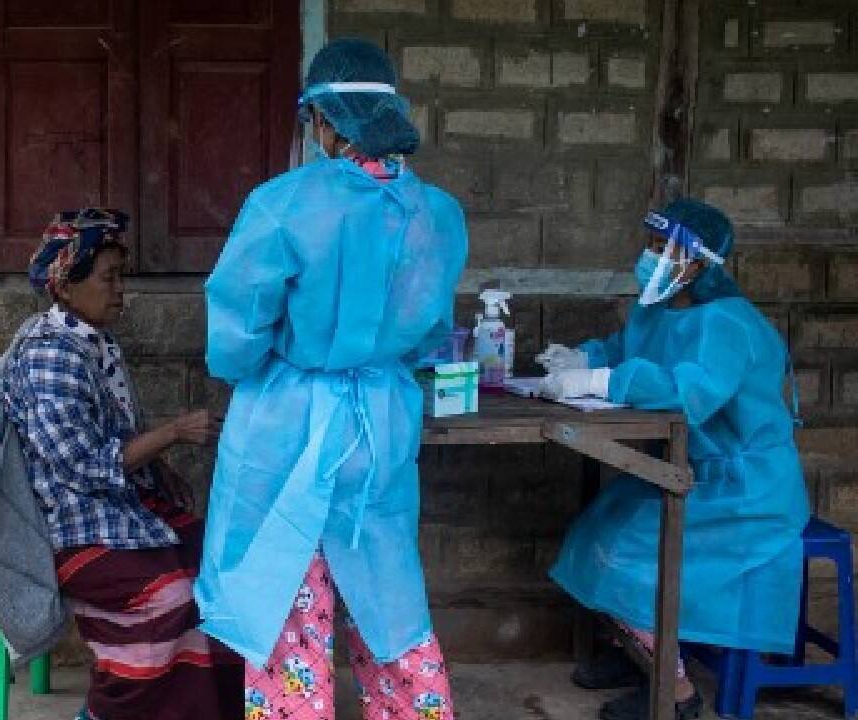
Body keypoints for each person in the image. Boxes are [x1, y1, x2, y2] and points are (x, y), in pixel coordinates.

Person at [196, 38, 468, 720]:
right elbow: (432, 329)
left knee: (289, 594)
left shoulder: (282, 205)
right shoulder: (437, 213)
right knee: (389, 593)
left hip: (290, 424)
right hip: (381, 418)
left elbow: (235, 338)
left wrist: (273, 364)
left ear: (322, 120)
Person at [536, 199, 810, 720]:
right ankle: (637, 653)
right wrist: (584, 359)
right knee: (597, 529)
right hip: (693, 472)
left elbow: (692, 394)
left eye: (667, 250)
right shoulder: (659, 305)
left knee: (629, 551)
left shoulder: (727, 324)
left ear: (701, 263)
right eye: (652, 245)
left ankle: (675, 691)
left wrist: (601, 384)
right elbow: (626, 347)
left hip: (743, 490)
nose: (653, 257)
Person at [0, 208, 242, 720]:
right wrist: (171, 435)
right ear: (66, 286)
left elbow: (118, 436)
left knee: (218, 563)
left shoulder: (92, 342)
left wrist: (160, 469)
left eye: (120, 277)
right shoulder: (49, 356)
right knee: (168, 596)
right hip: (70, 531)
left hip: (114, 510)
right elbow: (82, 466)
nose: (120, 291)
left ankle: (211, 707)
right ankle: (111, 711)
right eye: (108, 279)